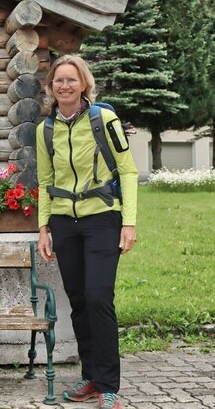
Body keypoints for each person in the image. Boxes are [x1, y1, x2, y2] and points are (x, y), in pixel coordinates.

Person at [35, 55, 137, 409]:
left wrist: (129, 222)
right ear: (50, 87)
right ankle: (91, 376)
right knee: (78, 300)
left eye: (71, 80)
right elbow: (45, 182)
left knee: (98, 297)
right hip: (64, 223)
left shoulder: (104, 120)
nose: (64, 86)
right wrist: (43, 228)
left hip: (102, 219)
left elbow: (128, 171)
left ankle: (108, 386)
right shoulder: (45, 130)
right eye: (58, 80)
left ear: (84, 84)